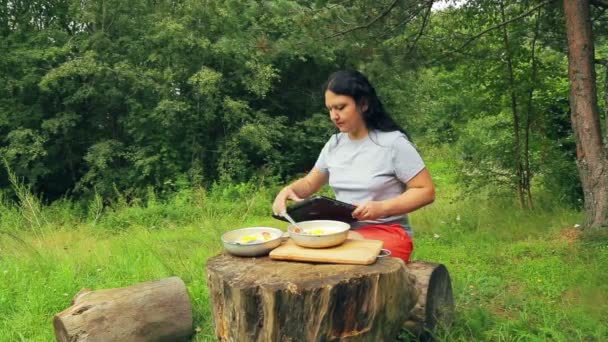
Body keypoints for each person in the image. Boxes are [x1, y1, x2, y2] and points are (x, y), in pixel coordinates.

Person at [272, 70, 435, 263]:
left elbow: (426, 191)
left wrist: (381, 208)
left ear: (363, 104)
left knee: (335, 256)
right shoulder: (334, 144)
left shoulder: (393, 143)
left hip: (387, 232)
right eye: (330, 109)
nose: (334, 116)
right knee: (290, 250)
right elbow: (309, 183)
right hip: (343, 232)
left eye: (340, 107)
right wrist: (287, 190)